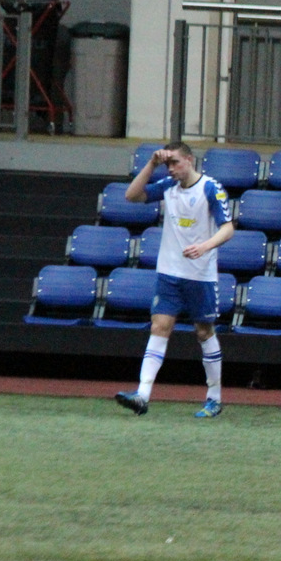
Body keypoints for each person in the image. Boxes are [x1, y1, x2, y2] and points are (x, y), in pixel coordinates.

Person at [113, 142, 236, 418]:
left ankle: (214, 398)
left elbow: (228, 228)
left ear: (189, 160)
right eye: (168, 164)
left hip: (200, 275)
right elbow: (132, 195)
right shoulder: (168, 186)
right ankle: (142, 395)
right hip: (169, 272)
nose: (171, 169)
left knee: (204, 331)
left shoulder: (210, 188)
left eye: (175, 163)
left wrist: (204, 246)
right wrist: (151, 164)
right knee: (159, 327)